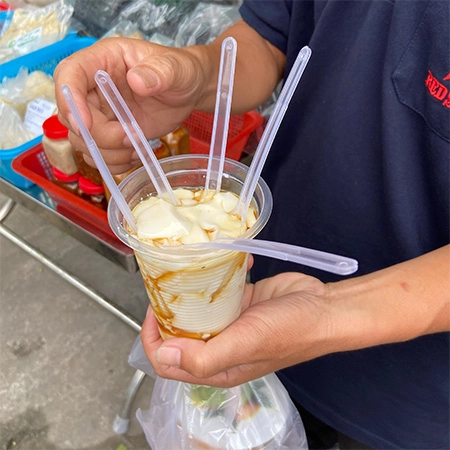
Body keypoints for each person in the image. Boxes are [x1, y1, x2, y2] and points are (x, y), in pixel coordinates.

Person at [54, 0, 449, 448]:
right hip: (262, 298)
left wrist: (331, 314)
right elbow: (268, 37)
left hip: (409, 392)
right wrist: (198, 75)